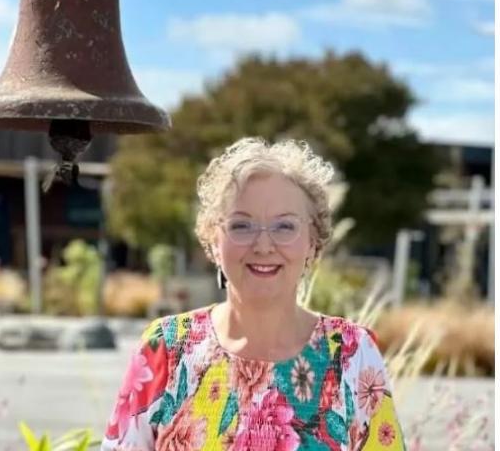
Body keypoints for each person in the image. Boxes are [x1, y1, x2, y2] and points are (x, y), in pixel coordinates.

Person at [101, 137, 405, 450]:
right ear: (212, 240)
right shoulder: (167, 347)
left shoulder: (352, 354)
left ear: (313, 243)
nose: (262, 245)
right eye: (241, 226)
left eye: (285, 227)